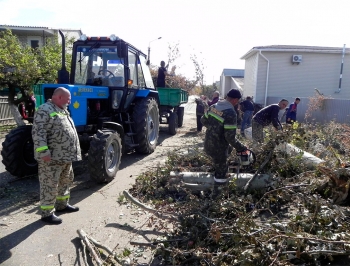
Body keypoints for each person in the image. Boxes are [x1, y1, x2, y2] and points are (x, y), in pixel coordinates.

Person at [32, 87, 81, 224]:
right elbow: (38, 132)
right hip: (51, 158)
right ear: (59, 97)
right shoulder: (44, 109)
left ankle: (62, 205)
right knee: (50, 184)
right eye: (68, 98)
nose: (70, 101)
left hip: (65, 157)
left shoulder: (62, 110)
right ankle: (47, 213)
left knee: (65, 181)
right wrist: (43, 151)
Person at [201, 89, 248, 194]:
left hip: (208, 144)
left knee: (225, 154)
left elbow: (203, 120)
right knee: (221, 173)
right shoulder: (230, 113)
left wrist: (213, 129)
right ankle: (217, 195)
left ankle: (216, 172)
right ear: (235, 100)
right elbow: (230, 137)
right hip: (219, 148)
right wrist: (242, 148)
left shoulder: (214, 107)